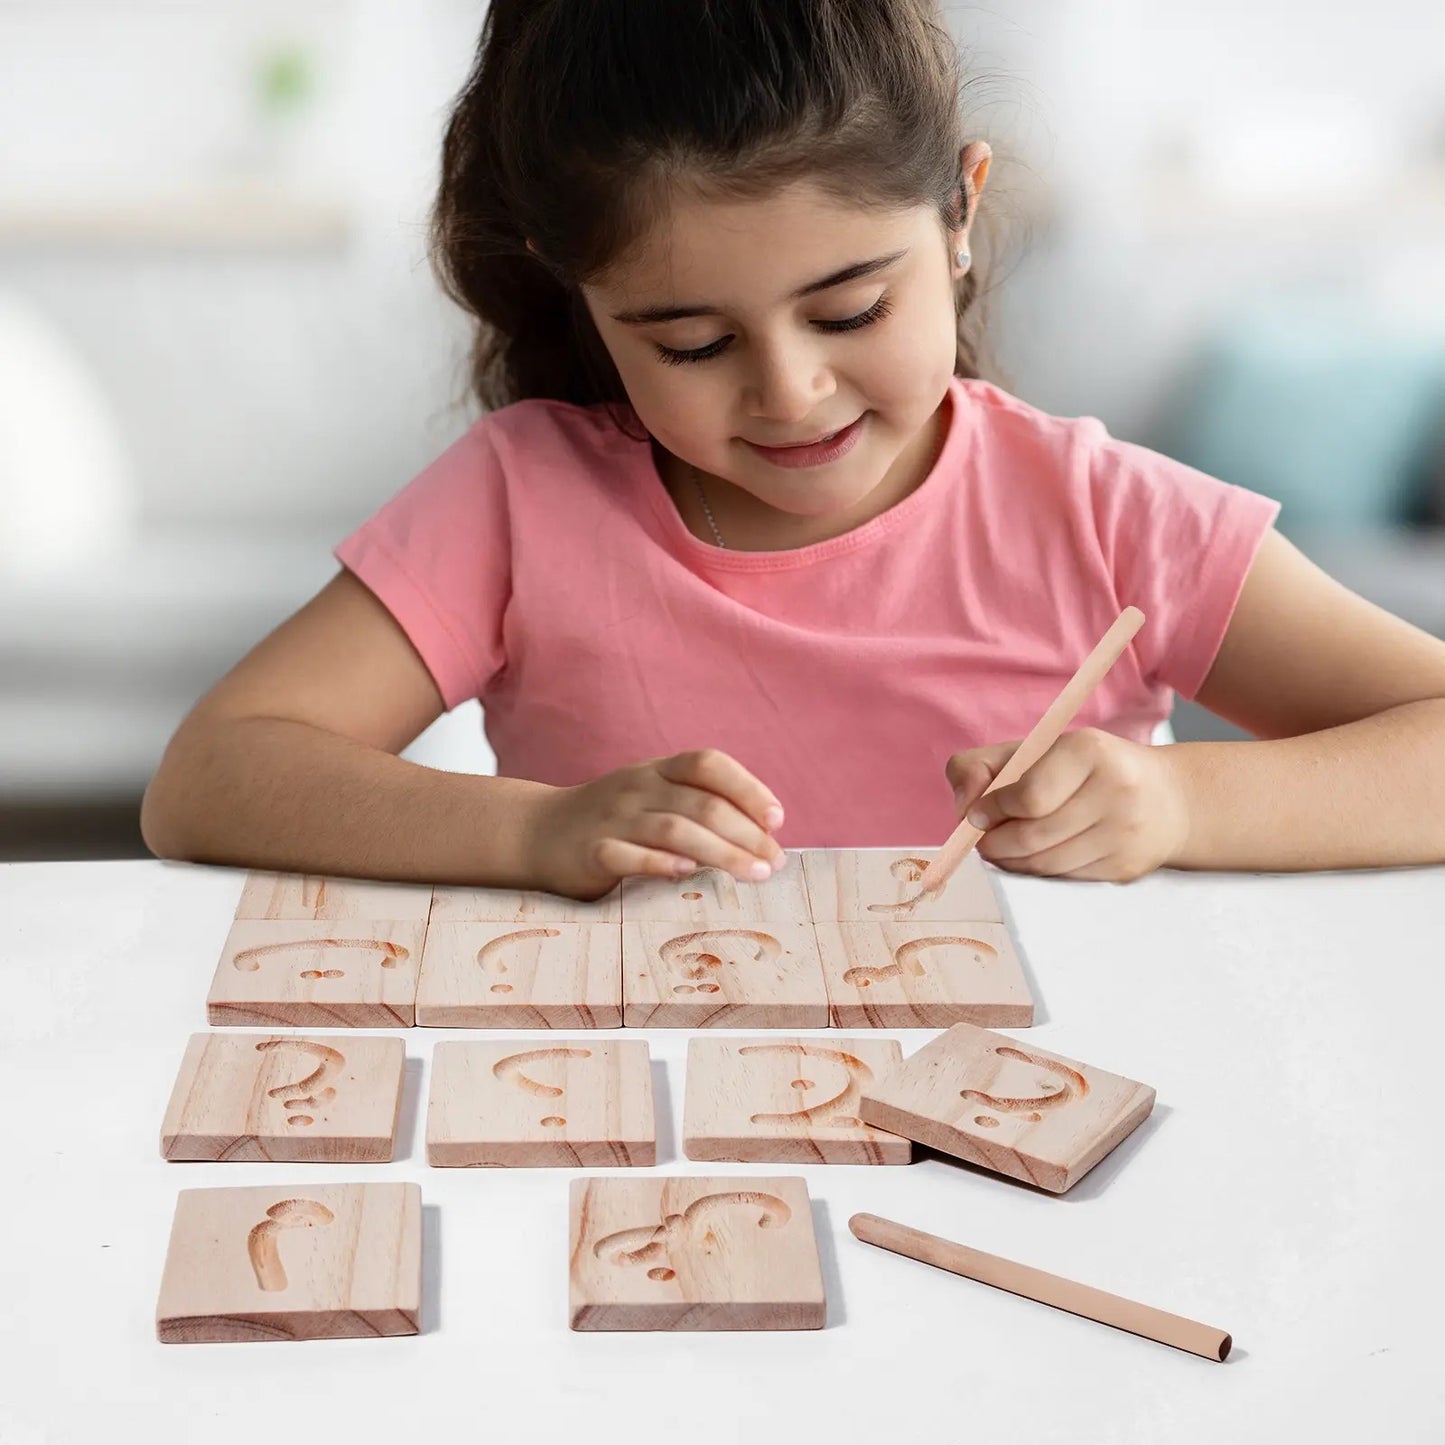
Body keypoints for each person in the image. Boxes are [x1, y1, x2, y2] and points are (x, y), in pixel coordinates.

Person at [141, 0, 1445, 899]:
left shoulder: (1101, 513)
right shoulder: (520, 501)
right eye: (689, 342)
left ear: (957, 212)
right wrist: (539, 827)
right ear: (578, 297)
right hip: (650, 1123)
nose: (790, 391)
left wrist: (1180, 809)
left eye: (848, 310)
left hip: (1041, 1119)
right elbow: (211, 774)